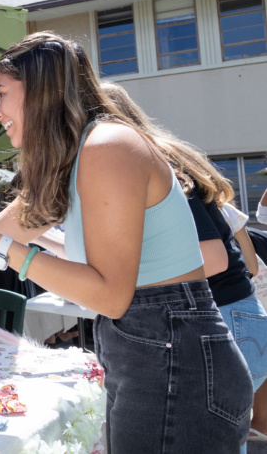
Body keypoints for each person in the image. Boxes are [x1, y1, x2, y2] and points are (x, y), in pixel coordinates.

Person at [0, 32, 253, 452]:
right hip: (154, 352)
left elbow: (110, 295)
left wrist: (3, 248)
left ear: (38, 91)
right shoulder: (73, 160)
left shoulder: (108, 147)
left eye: (2, 95)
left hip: (174, 355)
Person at [102, 81, 267, 447]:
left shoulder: (156, 165)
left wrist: (128, 275)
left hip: (228, 318)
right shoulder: (157, 158)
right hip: (236, 317)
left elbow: (213, 257)